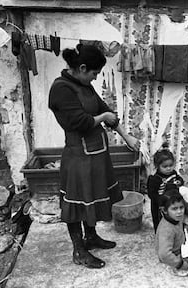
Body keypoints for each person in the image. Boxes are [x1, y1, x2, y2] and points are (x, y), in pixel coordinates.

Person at [48, 44, 140, 269]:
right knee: (77, 203)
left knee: (92, 198)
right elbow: (80, 122)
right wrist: (104, 116)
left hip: (97, 154)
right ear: (81, 68)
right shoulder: (61, 88)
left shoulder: (84, 85)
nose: (95, 77)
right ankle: (79, 251)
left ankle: (91, 237)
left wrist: (126, 137)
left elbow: (105, 110)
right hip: (79, 156)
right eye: (94, 73)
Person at [147, 143, 184, 232]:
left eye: (171, 165)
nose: (168, 168)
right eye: (165, 166)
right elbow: (151, 194)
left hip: (173, 202)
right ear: (157, 166)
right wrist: (160, 202)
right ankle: (159, 236)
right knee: (159, 222)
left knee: (175, 218)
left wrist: (180, 182)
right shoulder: (155, 179)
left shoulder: (173, 173)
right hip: (159, 205)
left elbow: (179, 179)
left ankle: (175, 233)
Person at [155, 190, 188, 272]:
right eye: (174, 209)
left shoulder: (175, 218)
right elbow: (164, 254)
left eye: (181, 207)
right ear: (164, 210)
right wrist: (180, 264)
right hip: (172, 258)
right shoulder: (167, 230)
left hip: (179, 247)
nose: (179, 212)